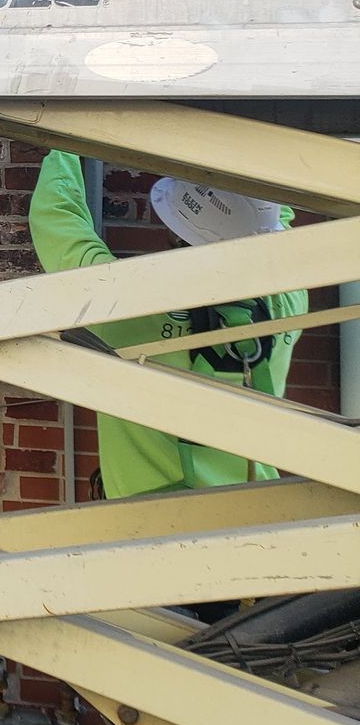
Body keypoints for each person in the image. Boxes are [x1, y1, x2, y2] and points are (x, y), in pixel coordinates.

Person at [27, 150, 306, 498]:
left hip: (153, 525)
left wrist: (62, 146)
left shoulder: (127, 305)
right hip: (260, 512)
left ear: (175, 233)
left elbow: (58, 220)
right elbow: (278, 223)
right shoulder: (287, 299)